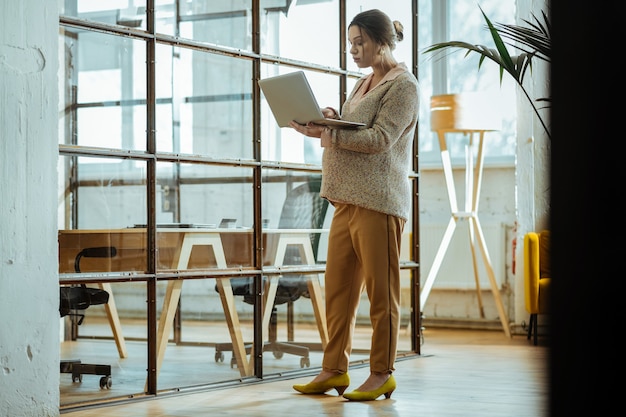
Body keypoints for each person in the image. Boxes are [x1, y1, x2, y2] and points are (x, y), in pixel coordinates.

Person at [289, 9, 419, 401]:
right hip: (344, 200)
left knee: (382, 295)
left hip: (378, 202)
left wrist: (330, 132)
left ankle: (382, 372)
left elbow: (380, 139)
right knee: (339, 293)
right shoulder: (364, 83)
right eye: (350, 44)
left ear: (382, 42)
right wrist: (327, 119)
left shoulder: (404, 86)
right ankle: (334, 370)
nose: (354, 50)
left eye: (359, 42)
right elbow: (352, 127)